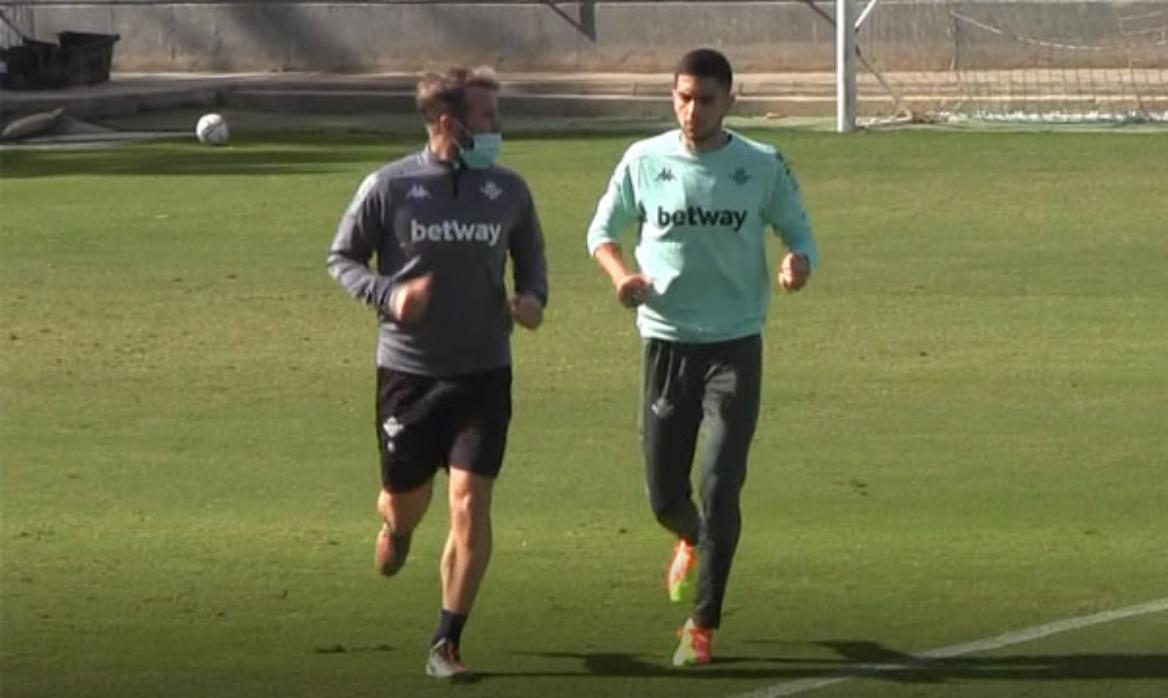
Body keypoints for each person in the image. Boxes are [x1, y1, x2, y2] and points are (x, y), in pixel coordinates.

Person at [585, 48, 819, 667]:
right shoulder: (644, 160)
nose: (692, 111)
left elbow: (799, 232)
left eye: (706, 100)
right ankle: (691, 537)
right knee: (665, 496)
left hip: (735, 345)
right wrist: (620, 276)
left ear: (729, 101)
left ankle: (702, 625)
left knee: (720, 483)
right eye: (684, 98)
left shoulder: (761, 165)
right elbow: (601, 232)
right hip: (666, 342)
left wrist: (797, 263)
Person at [327, 66, 548, 680]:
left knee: (469, 503)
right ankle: (396, 528)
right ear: (450, 124)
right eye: (488, 117)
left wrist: (532, 301)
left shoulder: (509, 189)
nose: (498, 128)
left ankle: (445, 641)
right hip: (410, 375)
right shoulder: (390, 186)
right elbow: (342, 257)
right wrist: (390, 295)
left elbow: (532, 261)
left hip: (484, 372)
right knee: (406, 502)